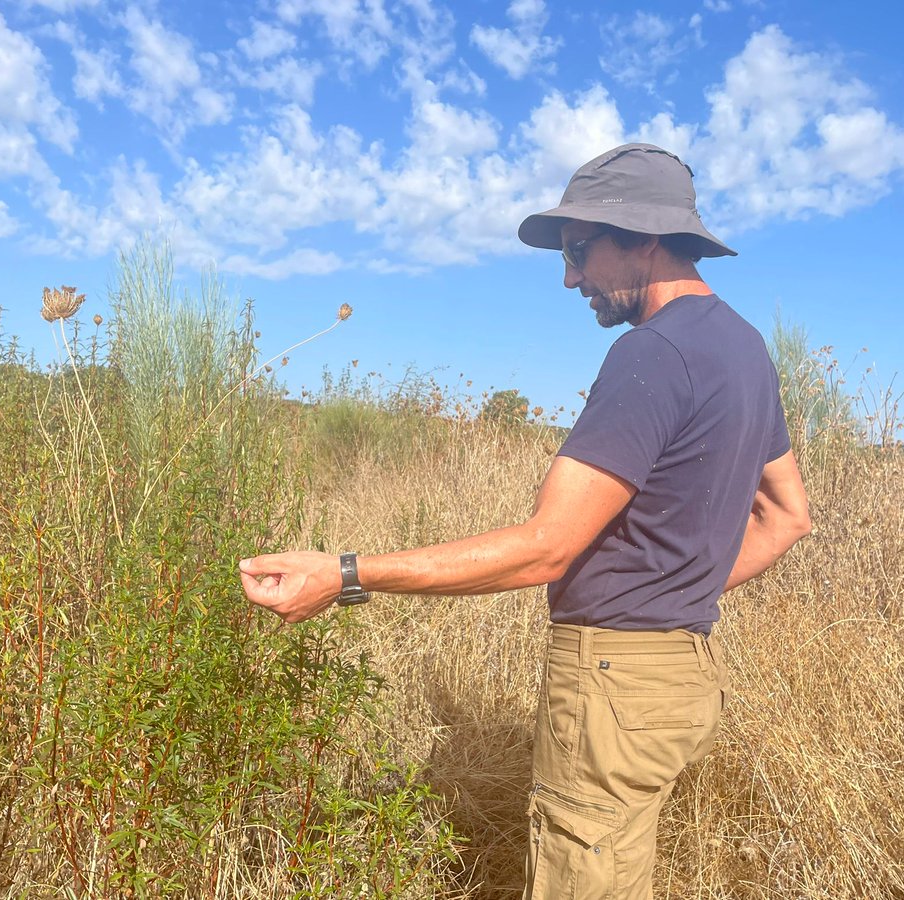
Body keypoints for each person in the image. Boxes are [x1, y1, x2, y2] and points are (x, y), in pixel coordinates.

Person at [238, 143, 811, 898]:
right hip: (682, 675)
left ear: (643, 238)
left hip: (612, 681)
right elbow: (789, 515)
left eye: (579, 250)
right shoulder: (743, 348)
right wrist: (675, 593)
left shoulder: (652, 355)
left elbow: (545, 548)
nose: (570, 276)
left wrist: (342, 575)